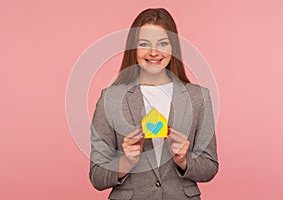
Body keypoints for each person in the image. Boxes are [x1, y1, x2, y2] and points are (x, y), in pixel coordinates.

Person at [89, 8, 218, 200]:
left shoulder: (198, 97)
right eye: (144, 44)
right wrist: (126, 161)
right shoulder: (111, 99)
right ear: (134, 48)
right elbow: (97, 177)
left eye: (163, 43)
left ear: (173, 47)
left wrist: (184, 160)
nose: (153, 52)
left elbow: (210, 167)